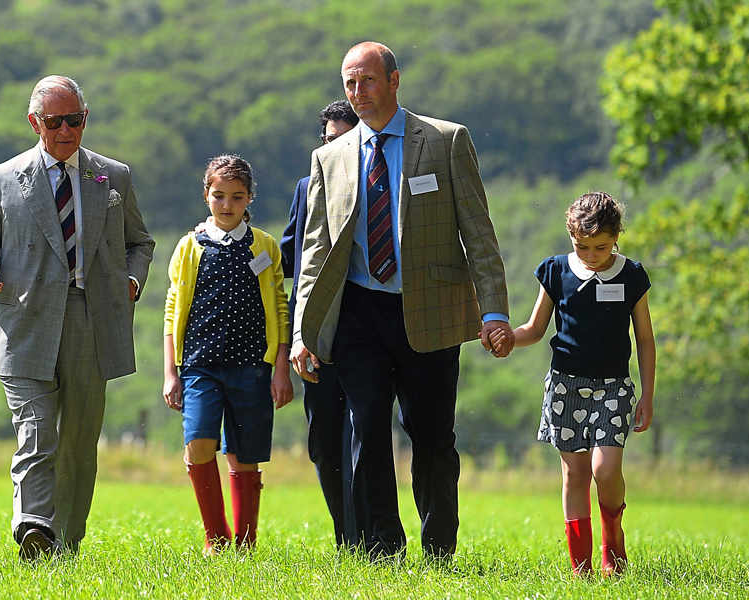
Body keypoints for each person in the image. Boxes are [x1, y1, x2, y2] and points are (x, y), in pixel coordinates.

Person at [290, 42, 512, 560]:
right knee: (365, 429)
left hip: (429, 310)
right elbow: (316, 251)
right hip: (358, 314)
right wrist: (305, 330)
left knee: (433, 436)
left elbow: (478, 233)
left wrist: (494, 310)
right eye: (349, 82)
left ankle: (439, 548)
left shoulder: (444, 140)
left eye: (367, 80)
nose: (357, 92)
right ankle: (383, 548)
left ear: (394, 81)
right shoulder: (330, 157)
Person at [0, 75, 155, 560]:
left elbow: (140, 243)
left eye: (75, 120)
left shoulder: (114, 176)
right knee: (36, 430)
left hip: (92, 322)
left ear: (85, 119)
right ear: (34, 123)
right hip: (24, 323)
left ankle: (63, 543)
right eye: (54, 122)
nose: (66, 130)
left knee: (78, 442)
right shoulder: (4, 178)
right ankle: (32, 524)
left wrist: (132, 280)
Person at [491, 191, 655, 576]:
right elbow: (534, 328)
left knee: (605, 468)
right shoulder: (555, 271)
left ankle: (612, 535)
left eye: (600, 247)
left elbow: (645, 339)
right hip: (565, 386)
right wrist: (510, 338)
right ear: (570, 237)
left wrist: (647, 394)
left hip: (614, 387)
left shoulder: (632, 276)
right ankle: (581, 568)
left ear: (617, 237)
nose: (591, 255)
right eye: (582, 246)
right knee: (575, 474)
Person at [162, 154, 292, 555]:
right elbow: (172, 309)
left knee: (243, 454)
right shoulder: (189, 247)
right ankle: (215, 538)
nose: (227, 205)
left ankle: (246, 542)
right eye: (218, 196)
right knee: (199, 442)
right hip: (200, 365)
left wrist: (281, 368)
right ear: (206, 195)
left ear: (249, 198)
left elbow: (280, 307)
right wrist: (170, 372)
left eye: (237, 197)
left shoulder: (265, 246)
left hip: (253, 367)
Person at [279, 99, 360, 547]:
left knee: (361, 436)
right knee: (324, 439)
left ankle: (369, 535)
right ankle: (345, 534)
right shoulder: (306, 185)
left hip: (367, 324)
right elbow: (291, 255)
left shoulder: (379, 184)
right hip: (315, 329)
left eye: (344, 140)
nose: (334, 150)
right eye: (328, 141)